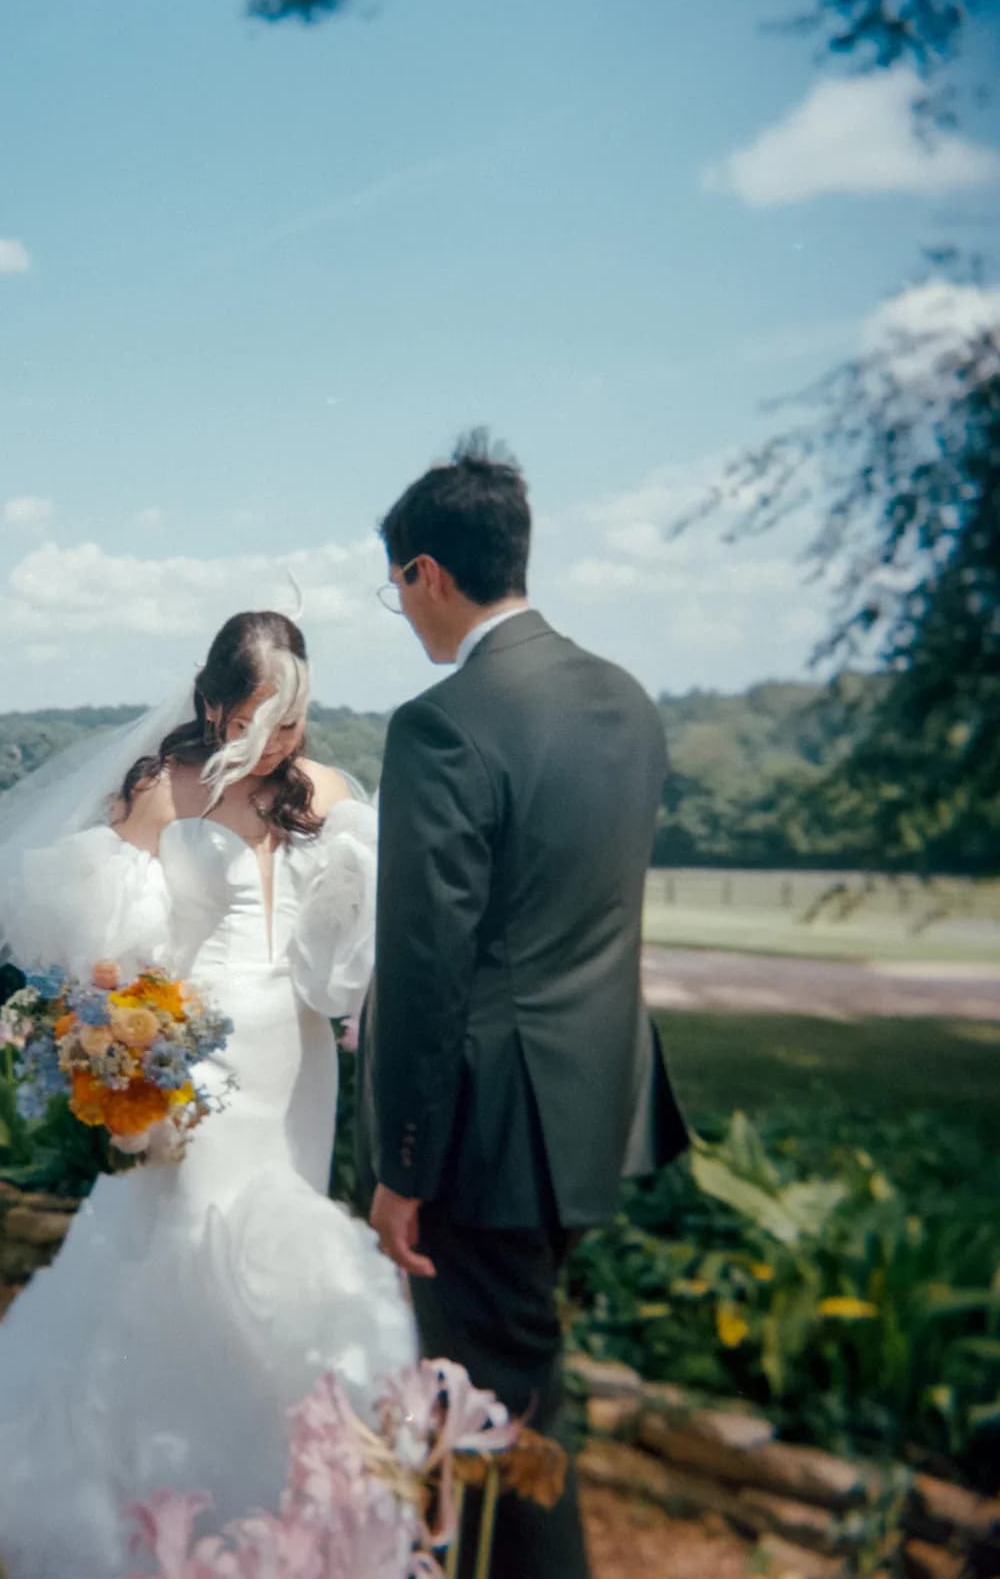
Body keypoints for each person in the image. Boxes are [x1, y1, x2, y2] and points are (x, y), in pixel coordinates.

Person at [0, 610, 416, 1579]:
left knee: (290, 1252)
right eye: (258, 718)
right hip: (196, 1061)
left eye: (293, 722)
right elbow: (101, 959)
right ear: (211, 701)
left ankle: (290, 1514)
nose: (277, 743)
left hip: (300, 1059)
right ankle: (165, 1505)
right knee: (193, 1252)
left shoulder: (328, 792)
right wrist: (129, 1056)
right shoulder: (161, 794)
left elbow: (366, 933)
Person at [361, 430, 690, 1579]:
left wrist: (401, 1166)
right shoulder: (626, 702)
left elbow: (423, 964)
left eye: (395, 586)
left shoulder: (441, 724)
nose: (400, 613)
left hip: (483, 1133)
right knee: (516, 1394)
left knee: (496, 1420)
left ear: (427, 574)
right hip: (591, 1111)